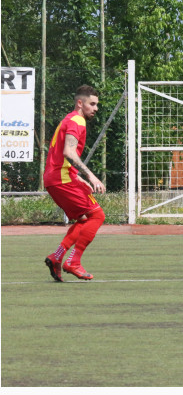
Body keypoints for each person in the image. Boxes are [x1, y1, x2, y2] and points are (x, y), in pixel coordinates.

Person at [43, 85, 106, 282]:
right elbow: (68, 153)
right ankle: (73, 262)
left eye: (96, 104)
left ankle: (57, 257)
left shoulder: (69, 119)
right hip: (61, 179)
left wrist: (77, 178)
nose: (95, 108)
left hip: (60, 177)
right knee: (97, 216)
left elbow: (60, 157)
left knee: (84, 219)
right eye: (92, 104)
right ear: (80, 103)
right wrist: (90, 176)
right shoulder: (77, 121)